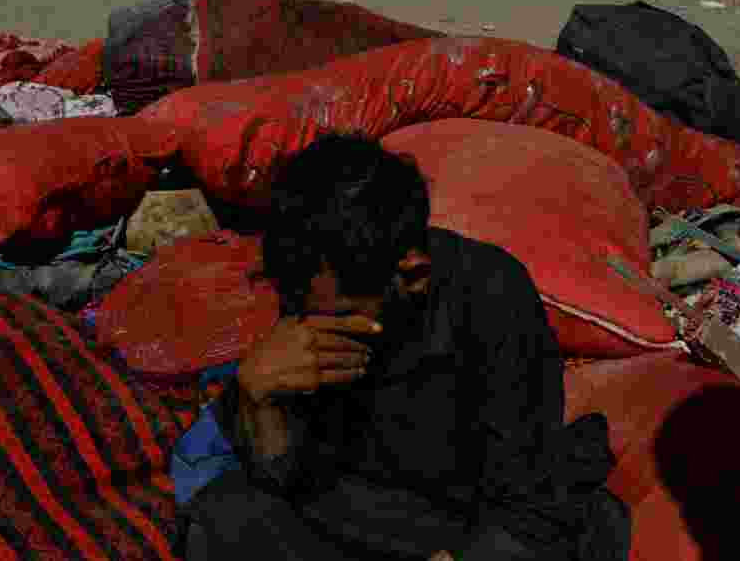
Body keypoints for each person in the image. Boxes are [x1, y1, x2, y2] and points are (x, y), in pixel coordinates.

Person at [179, 132, 630, 560]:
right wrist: (261, 401)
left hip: (473, 521)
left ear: (411, 276)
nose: (312, 330)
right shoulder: (310, 286)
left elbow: (527, 500)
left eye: (336, 317)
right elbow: (287, 478)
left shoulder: (490, 295)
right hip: (372, 510)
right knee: (224, 518)